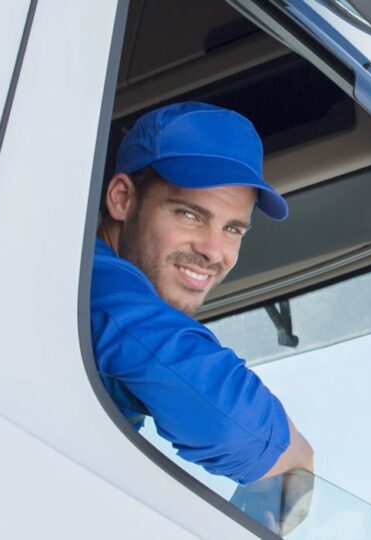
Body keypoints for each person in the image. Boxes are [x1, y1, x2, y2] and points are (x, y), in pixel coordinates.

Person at [90, 101, 313, 485]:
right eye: (190, 215)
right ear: (122, 198)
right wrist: (294, 457)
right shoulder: (94, 282)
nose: (213, 251)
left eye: (232, 229)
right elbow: (243, 434)